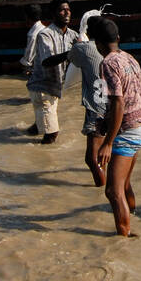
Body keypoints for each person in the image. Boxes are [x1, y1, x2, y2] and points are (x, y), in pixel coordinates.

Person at [93, 19, 141, 236]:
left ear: (97, 43)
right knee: (124, 185)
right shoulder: (129, 57)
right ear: (117, 39)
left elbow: (117, 102)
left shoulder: (107, 63)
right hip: (140, 125)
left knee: (112, 191)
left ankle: (122, 238)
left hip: (127, 131)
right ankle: (132, 222)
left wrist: (107, 142)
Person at [44, 15, 109, 182]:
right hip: (113, 105)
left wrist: (46, 62)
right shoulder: (112, 49)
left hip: (97, 106)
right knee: (105, 155)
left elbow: (63, 59)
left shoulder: (84, 48)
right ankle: (108, 186)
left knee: (92, 159)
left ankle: (104, 189)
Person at [26, 0, 80, 143]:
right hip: (42, 87)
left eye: (68, 9)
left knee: (40, 126)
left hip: (55, 87)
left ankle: (34, 129)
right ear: (53, 14)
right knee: (52, 134)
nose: (67, 12)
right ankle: (42, 163)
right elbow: (47, 61)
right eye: (62, 10)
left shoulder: (73, 35)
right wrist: (71, 53)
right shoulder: (45, 35)